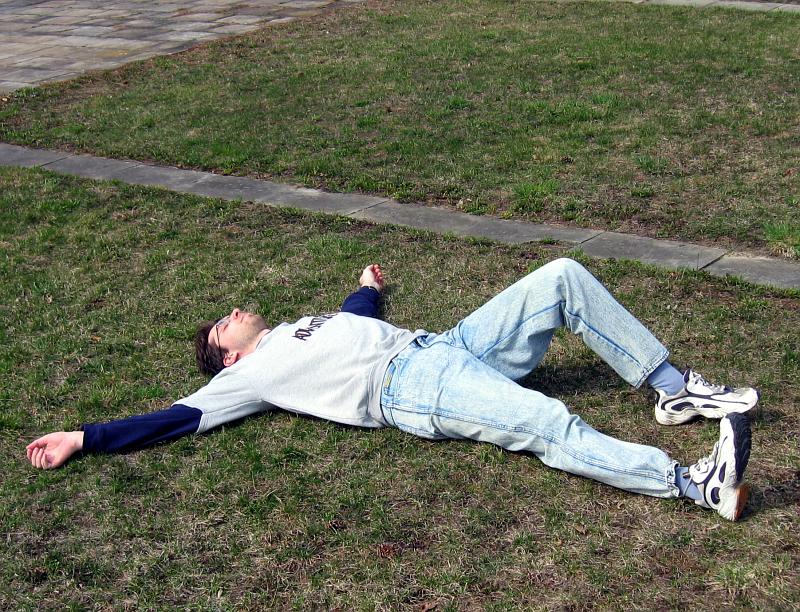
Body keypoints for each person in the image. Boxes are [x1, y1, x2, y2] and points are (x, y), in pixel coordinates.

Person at [26, 259, 758, 520]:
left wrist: (366, 288)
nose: (235, 312)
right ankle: (693, 485)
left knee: (561, 276)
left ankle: (672, 389)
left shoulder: (293, 331)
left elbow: (351, 321)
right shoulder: (248, 379)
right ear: (229, 359)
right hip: (413, 385)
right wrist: (84, 437)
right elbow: (174, 419)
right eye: (224, 324)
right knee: (546, 422)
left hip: (446, 344)